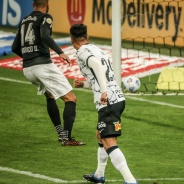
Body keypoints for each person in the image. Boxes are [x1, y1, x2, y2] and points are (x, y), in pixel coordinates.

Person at [70, 23, 138, 184]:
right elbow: (105, 74)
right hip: (117, 99)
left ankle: (130, 180)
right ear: (87, 37)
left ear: (72, 39)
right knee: (100, 135)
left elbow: (97, 67)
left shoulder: (82, 52)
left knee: (109, 142)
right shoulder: (97, 49)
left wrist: (104, 91)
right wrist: (86, 85)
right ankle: (99, 175)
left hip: (108, 102)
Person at [12, 0, 85, 146]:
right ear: (47, 6)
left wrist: (28, 58)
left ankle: (61, 134)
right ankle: (67, 138)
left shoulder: (24, 20)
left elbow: (15, 47)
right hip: (42, 65)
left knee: (50, 96)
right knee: (70, 98)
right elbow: (45, 36)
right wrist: (60, 52)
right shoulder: (46, 17)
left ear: (33, 5)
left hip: (28, 69)